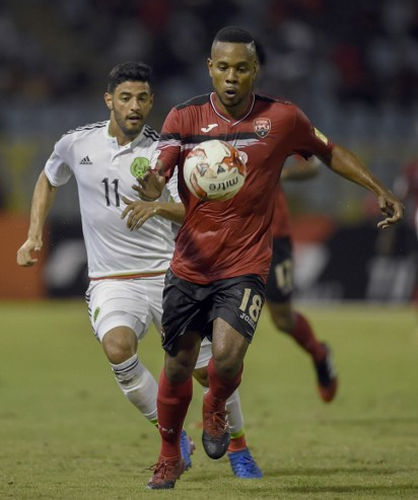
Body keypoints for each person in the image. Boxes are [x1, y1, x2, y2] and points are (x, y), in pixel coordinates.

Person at [134, 27, 403, 490]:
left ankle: (215, 406)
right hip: (190, 263)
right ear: (210, 68)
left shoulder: (281, 118)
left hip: (246, 262)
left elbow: (329, 151)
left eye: (242, 68)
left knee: (227, 354)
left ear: (255, 70)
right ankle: (167, 457)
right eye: (223, 67)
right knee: (177, 365)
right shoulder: (185, 115)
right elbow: (163, 164)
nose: (232, 77)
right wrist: (155, 184)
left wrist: (379, 189)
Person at [16, 61, 263, 479]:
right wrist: (33, 234)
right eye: (126, 97)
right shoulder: (77, 144)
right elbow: (47, 178)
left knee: (209, 372)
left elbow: (197, 210)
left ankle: (238, 447)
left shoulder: (168, 152)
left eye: (143, 98)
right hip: (111, 280)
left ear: (152, 102)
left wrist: (158, 205)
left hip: (172, 275)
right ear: (109, 99)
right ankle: (173, 436)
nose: (135, 106)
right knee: (117, 347)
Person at [267, 157, 338, 402]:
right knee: (219, 320)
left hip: (272, 235)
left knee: (282, 319)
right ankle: (217, 411)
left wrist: (282, 174)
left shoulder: (277, 119)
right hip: (225, 234)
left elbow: (312, 165)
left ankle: (319, 353)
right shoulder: (203, 121)